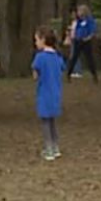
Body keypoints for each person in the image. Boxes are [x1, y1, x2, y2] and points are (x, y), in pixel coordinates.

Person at [33, 26, 66, 160]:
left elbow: (35, 74)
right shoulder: (57, 57)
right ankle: (55, 146)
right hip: (56, 93)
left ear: (43, 40)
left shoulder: (40, 57)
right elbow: (62, 69)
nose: (35, 43)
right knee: (52, 121)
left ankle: (49, 148)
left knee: (46, 122)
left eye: (37, 40)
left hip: (44, 93)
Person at [66, 5, 98, 83]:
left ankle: (94, 75)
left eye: (80, 11)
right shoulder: (79, 21)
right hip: (78, 41)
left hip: (86, 41)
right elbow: (76, 30)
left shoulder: (90, 20)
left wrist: (88, 38)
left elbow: (93, 31)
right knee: (74, 57)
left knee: (89, 58)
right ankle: (68, 74)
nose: (79, 13)